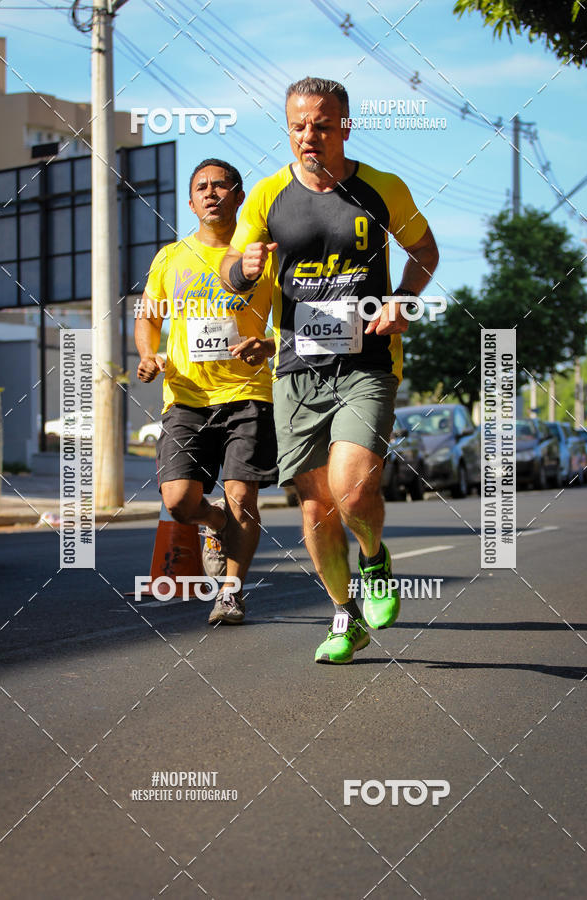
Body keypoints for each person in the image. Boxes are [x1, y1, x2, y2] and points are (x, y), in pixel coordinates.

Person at [221, 77, 439, 663]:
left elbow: (425, 251)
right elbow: (231, 272)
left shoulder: (382, 187)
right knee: (316, 506)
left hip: (367, 359)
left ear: (344, 125)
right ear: (287, 129)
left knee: (352, 484)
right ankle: (345, 616)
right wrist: (242, 266)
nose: (308, 136)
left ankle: (374, 557)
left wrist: (402, 298)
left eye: (321, 124)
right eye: (297, 125)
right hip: (296, 367)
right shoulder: (268, 195)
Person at [135, 158, 277, 625]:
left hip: (248, 392)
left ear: (239, 196)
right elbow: (148, 317)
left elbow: (293, 324)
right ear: (191, 201)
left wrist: (269, 344)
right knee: (178, 502)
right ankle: (214, 524)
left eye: (222, 186)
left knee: (243, 497)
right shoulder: (171, 257)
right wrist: (148, 354)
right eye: (202, 187)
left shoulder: (264, 257)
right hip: (186, 396)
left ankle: (231, 593)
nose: (211, 193)